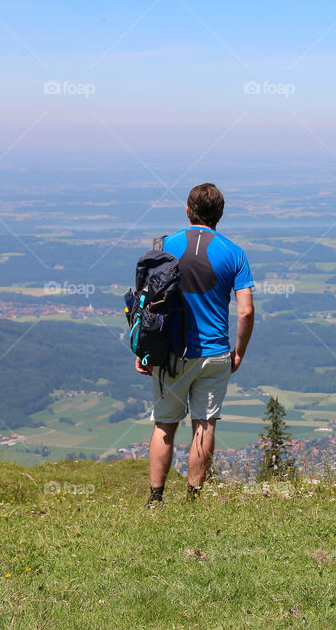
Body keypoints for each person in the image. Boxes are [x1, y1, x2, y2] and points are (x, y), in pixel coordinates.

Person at [136, 183, 255, 507]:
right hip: (216, 353)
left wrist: (144, 350)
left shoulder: (164, 246)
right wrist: (239, 351)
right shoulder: (235, 253)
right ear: (220, 214)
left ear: (188, 211)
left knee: (165, 425)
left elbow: (147, 305)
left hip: (171, 353)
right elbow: (245, 311)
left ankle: (156, 500)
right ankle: (193, 499)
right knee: (205, 424)